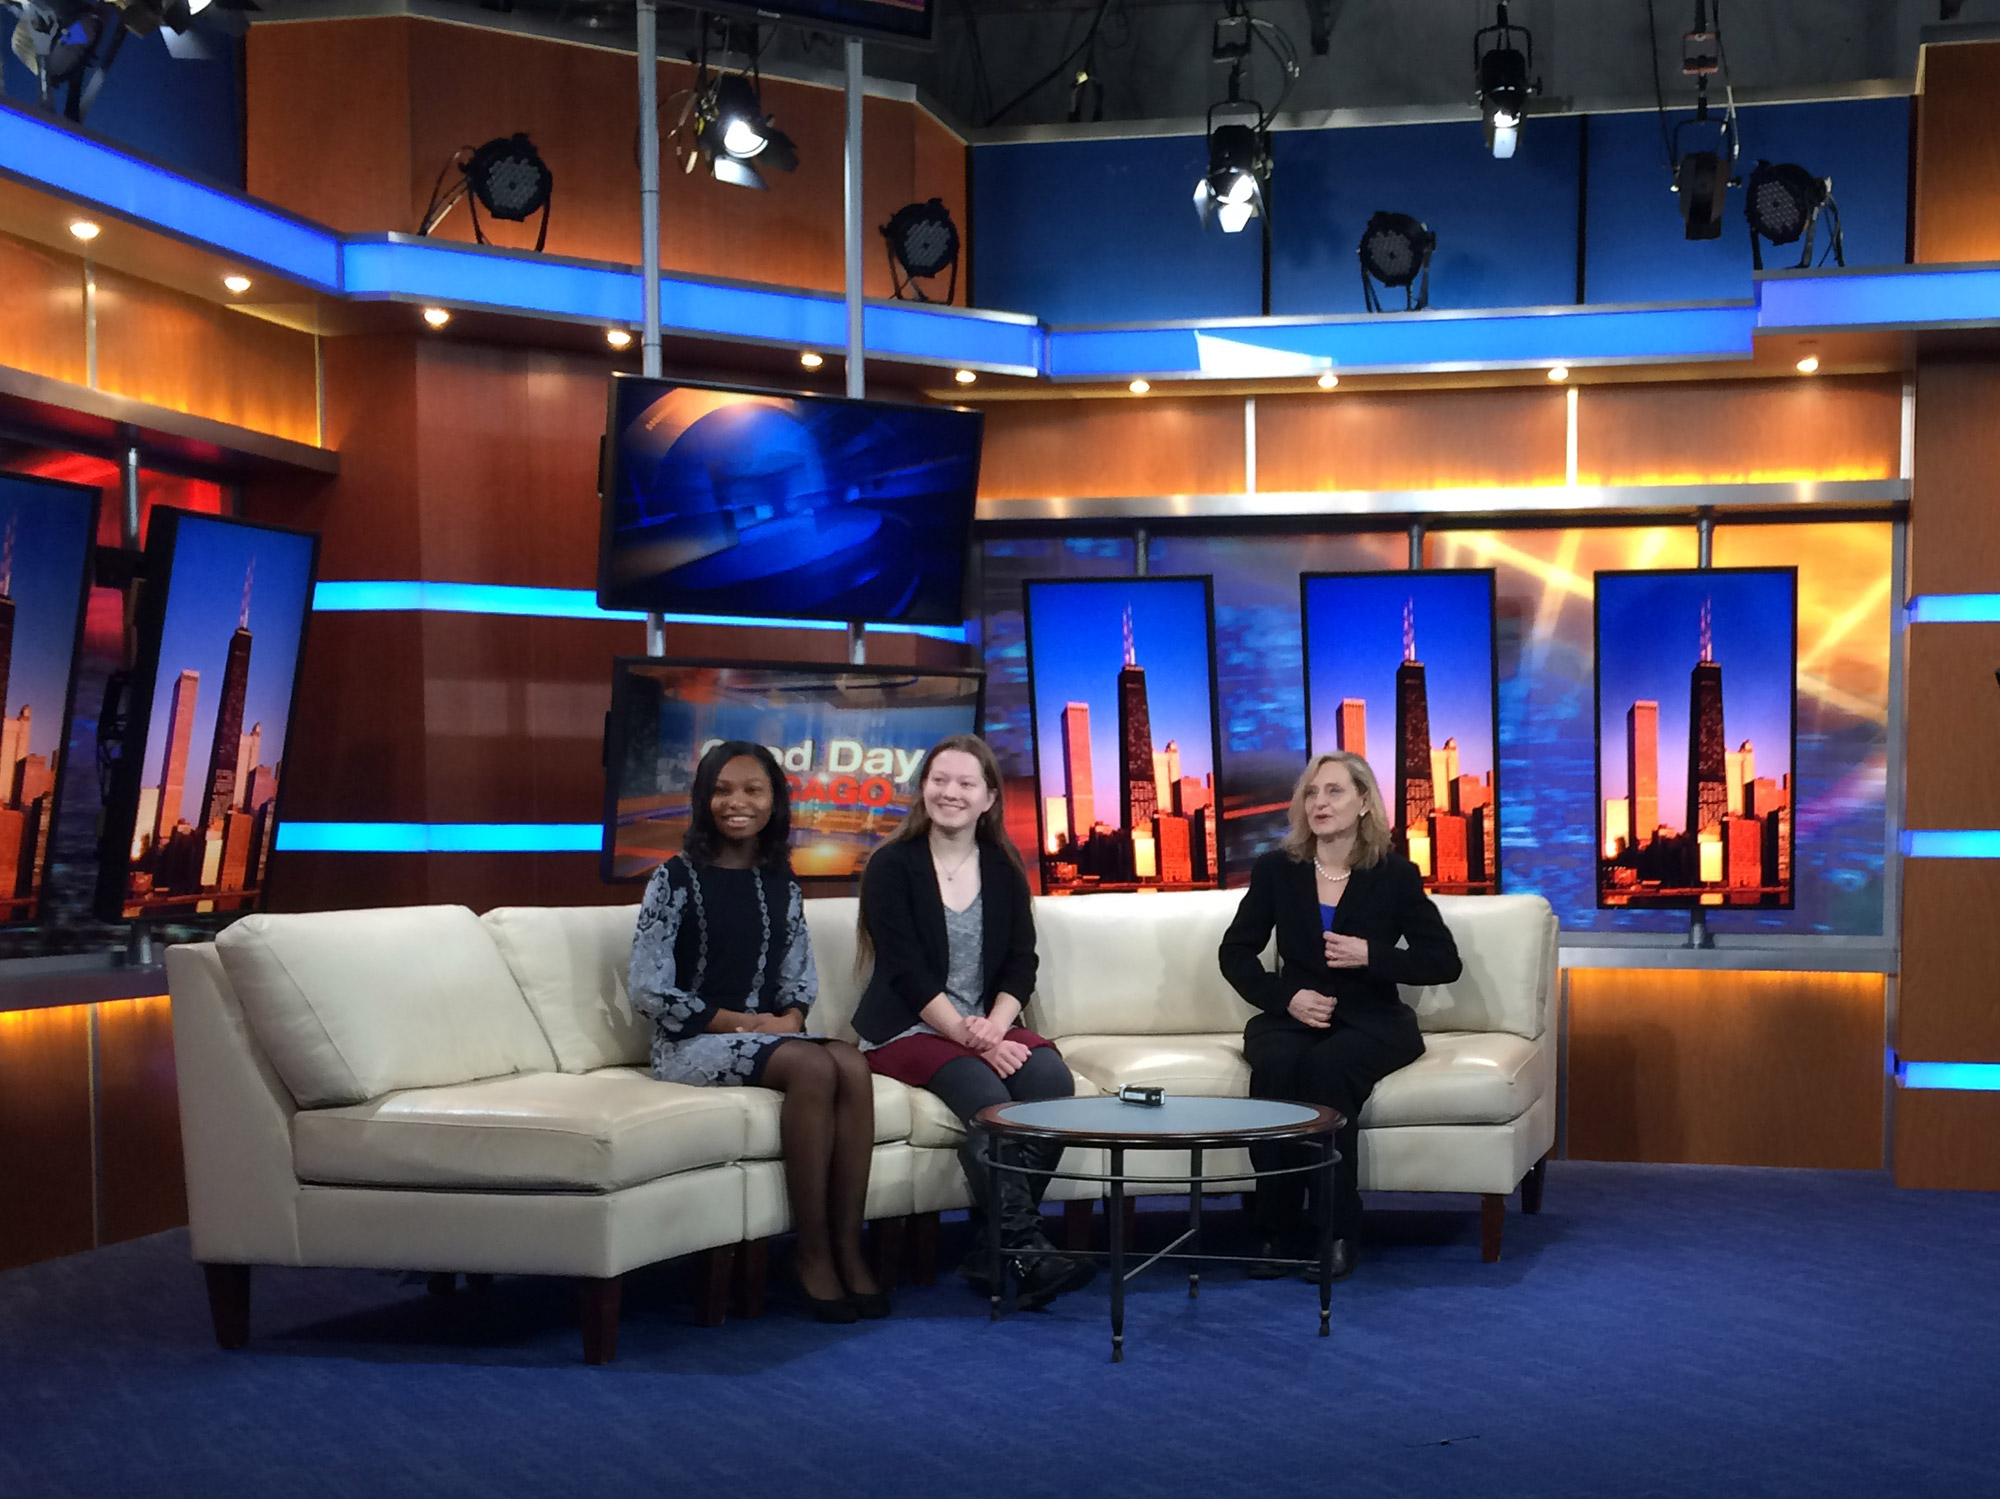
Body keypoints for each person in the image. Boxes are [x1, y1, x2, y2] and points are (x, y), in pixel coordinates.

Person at [629, 739, 886, 1323]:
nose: (736, 802)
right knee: (815, 1065)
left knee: (851, 1062)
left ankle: (849, 1244)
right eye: (722, 789)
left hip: (768, 1038)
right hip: (687, 1045)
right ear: (703, 799)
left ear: (774, 802)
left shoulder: (782, 883)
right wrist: (745, 1023)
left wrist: (791, 1019)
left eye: (752, 790)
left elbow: (800, 978)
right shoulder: (675, 879)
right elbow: (647, 988)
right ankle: (811, 1253)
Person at [853, 734, 1096, 1310]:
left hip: (986, 1023)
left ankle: (995, 1246)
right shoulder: (893, 865)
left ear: (989, 798)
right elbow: (906, 973)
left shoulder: (1004, 868)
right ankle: (1027, 1248)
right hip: (910, 1026)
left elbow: (1021, 961)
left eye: (966, 783)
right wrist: (973, 1039)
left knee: (1049, 1083)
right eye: (940, 780)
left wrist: (995, 1025)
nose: (950, 793)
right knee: (987, 1094)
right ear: (923, 789)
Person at [1218, 751, 1462, 1280]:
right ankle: (1276, 1229)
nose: (1319, 803)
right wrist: (1287, 998)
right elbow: (1235, 954)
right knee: (1277, 1066)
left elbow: (1443, 961)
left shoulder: (1395, 874)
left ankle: (1337, 1231)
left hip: (1372, 1022)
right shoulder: (1277, 870)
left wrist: (1371, 955)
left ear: (1364, 802)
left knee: (1326, 1071)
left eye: (1333, 791)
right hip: (1293, 1016)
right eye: (1311, 792)